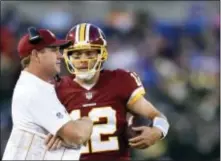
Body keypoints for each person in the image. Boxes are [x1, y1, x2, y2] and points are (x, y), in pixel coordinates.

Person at [52, 23, 169, 160]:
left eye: (89, 53)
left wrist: (157, 131)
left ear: (101, 54)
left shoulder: (120, 80)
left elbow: (157, 115)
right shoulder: (57, 89)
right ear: (68, 56)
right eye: (77, 54)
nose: (83, 60)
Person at [2, 27, 93, 160]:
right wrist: (87, 121)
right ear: (36, 55)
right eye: (54, 50)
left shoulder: (37, 86)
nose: (60, 55)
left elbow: (72, 136)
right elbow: (77, 135)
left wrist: (65, 133)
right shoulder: (33, 90)